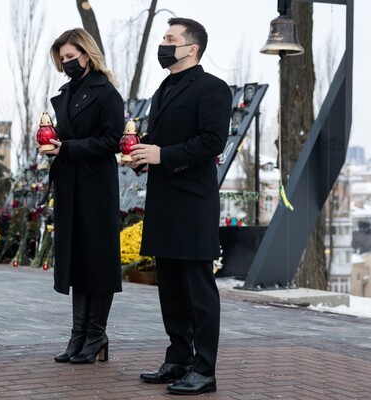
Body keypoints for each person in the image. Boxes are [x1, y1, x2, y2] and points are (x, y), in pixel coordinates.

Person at [127, 18, 232, 395]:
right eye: (163, 38)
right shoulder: (163, 89)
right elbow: (161, 140)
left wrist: (162, 154)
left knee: (198, 290)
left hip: (193, 203)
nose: (164, 44)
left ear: (192, 48)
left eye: (170, 38)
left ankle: (204, 370)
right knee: (169, 286)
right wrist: (140, 154)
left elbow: (212, 141)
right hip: (164, 200)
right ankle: (178, 359)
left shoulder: (213, 88)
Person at [41, 28, 123, 364]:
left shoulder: (107, 93)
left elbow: (113, 140)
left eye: (71, 57)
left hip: (97, 187)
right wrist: (52, 142)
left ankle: (96, 334)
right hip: (71, 184)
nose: (67, 63)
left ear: (87, 55)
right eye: (63, 59)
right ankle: (78, 335)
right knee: (77, 260)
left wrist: (67, 147)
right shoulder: (67, 93)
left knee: (97, 261)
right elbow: (68, 137)